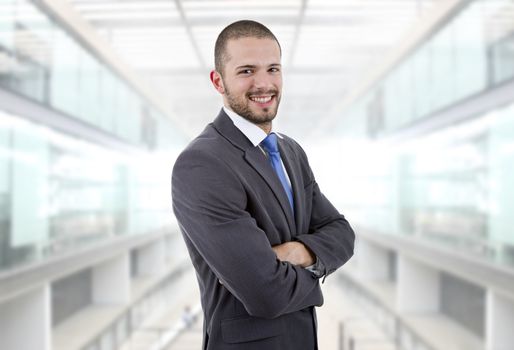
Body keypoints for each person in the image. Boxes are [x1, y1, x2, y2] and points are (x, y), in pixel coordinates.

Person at [172, 20, 355, 350]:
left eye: (273, 69)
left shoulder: (290, 151)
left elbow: (342, 233)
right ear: (218, 81)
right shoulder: (202, 163)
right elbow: (265, 293)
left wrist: (297, 252)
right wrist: (316, 275)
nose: (264, 83)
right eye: (246, 71)